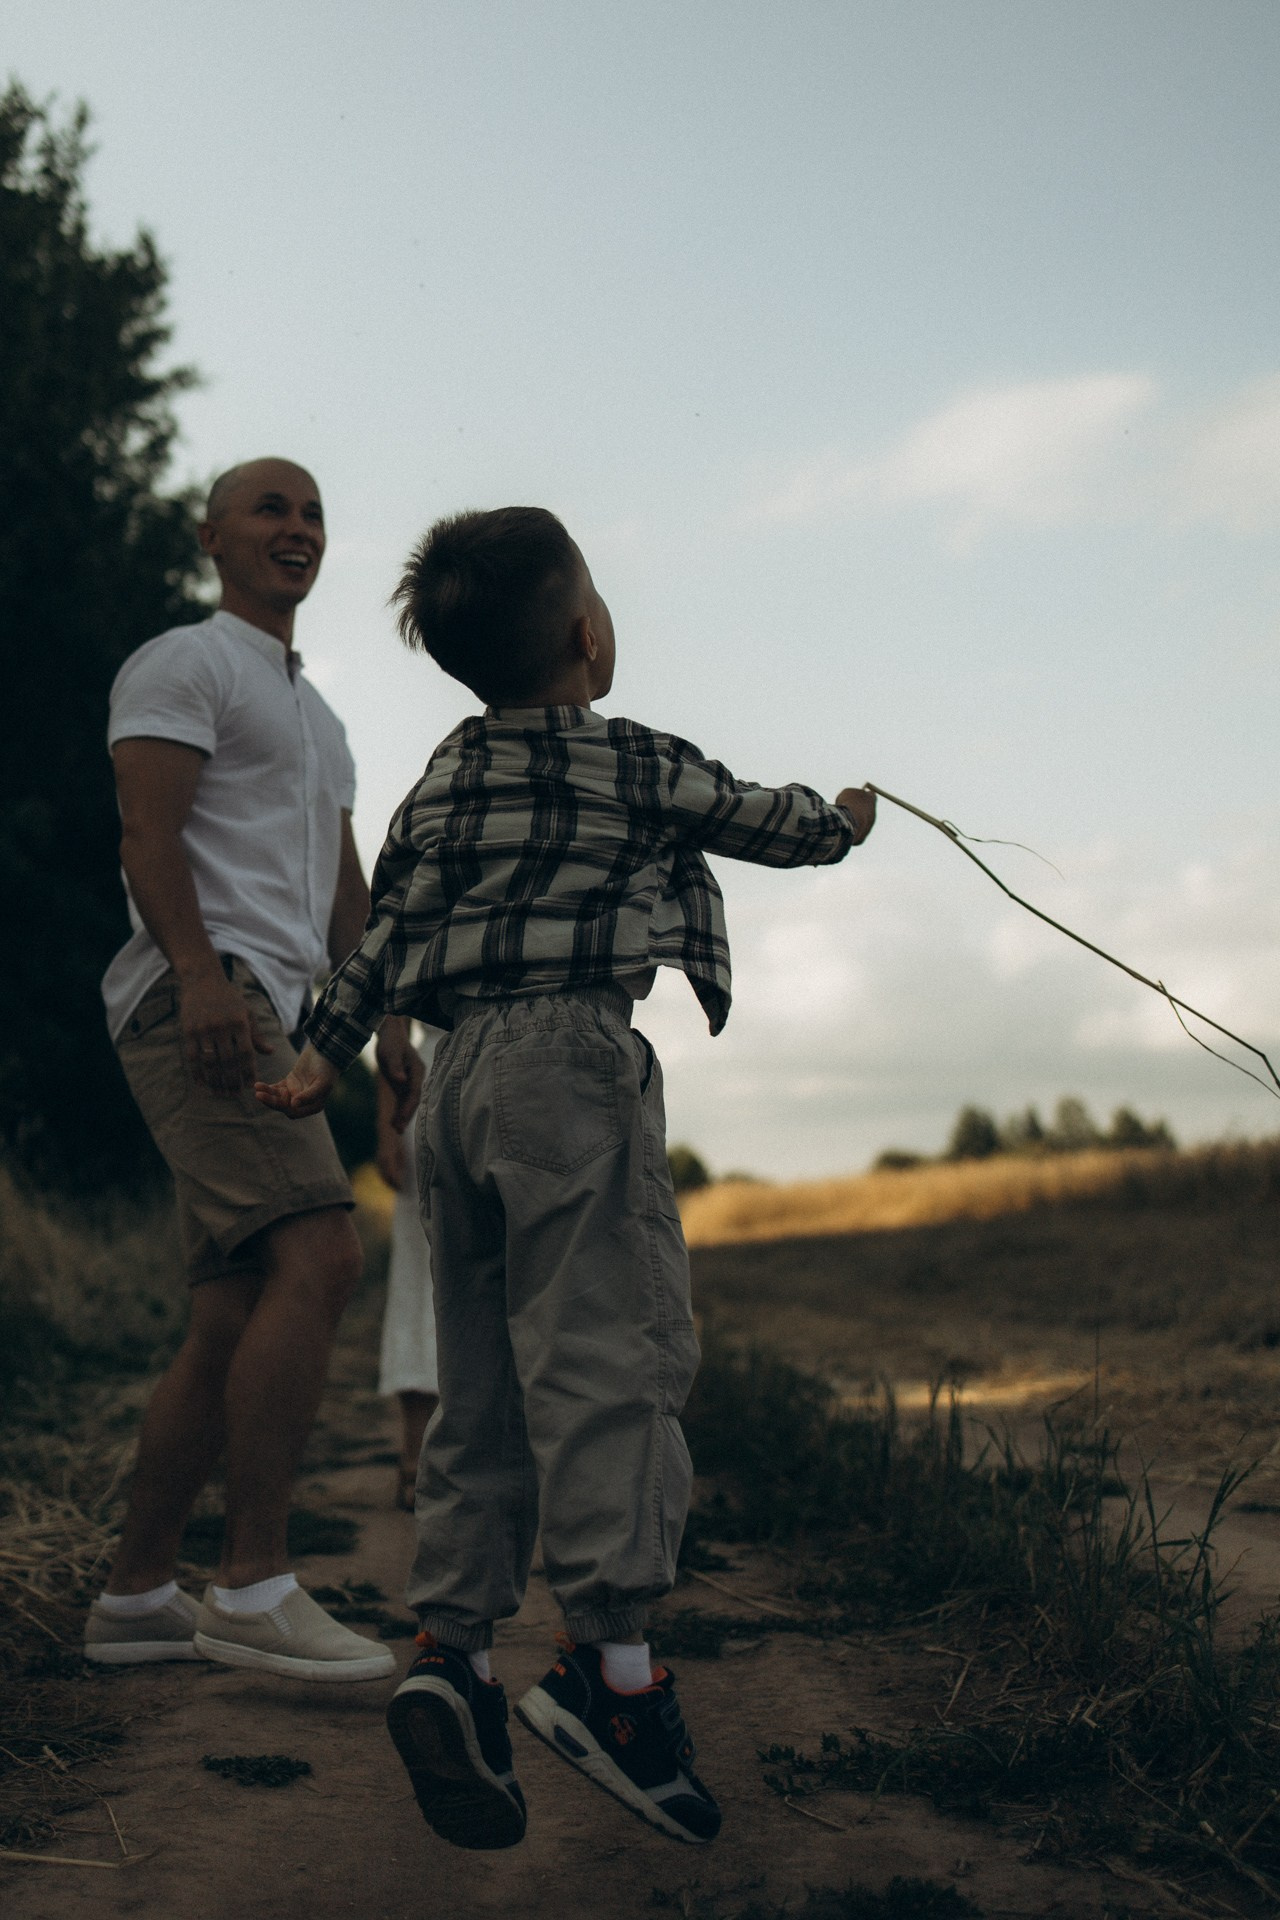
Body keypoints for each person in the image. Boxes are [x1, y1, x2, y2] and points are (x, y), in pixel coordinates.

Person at [258, 506, 877, 1843]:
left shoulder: (440, 782)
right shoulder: (634, 760)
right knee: (608, 1359)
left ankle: (455, 1654)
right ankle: (613, 1675)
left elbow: (386, 934)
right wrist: (842, 822)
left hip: (462, 1089)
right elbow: (762, 822)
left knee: (479, 1384)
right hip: (570, 1069)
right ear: (590, 637)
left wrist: (324, 1056)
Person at [83, 457, 422, 1682]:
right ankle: (253, 1583)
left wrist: (388, 1033)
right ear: (212, 533)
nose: (298, 529)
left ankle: (133, 1600)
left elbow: (343, 895)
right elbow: (147, 832)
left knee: (231, 1313)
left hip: (281, 1009)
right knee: (324, 1252)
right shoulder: (186, 662)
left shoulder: (317, 715)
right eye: (271, 508)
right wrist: (200, 975)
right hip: (206, 1001)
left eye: (315, 513)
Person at [375, 1024, 443, 1509]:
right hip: (431, 1079)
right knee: (421, 1277)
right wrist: (386, 1125)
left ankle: (508, 1457)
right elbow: (392, 1004)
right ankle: (416, 1452)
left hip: (530, 1068)